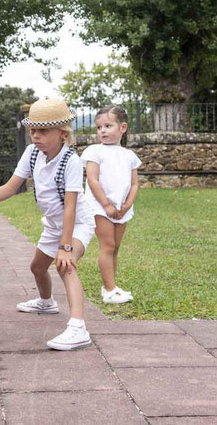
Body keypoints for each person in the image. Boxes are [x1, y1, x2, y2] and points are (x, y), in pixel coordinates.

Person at [0, 98, 97, 350]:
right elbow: (10, 187)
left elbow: (70, 207)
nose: (36, 136)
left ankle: (78, 328)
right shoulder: (31, 154)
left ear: (62, 133)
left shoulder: (70, 160)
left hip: (78, 224)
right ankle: (46, 302)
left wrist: (66, 247)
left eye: (43, 130)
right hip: (53, 226)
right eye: (33, 130)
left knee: (65, 266)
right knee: (37, 268)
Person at [81, 105, 141, 304]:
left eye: (108, 126)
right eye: (99, 127)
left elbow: (134, 184)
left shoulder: (129, 156)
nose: (102, 131)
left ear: (122, 128)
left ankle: (111, 285)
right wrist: (106, 205)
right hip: (100, 207)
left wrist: (126, 205)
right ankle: (109, 290)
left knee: (115, 247)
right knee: (107, 246)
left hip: (121, 208)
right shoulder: (94, 151)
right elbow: (93, 180)